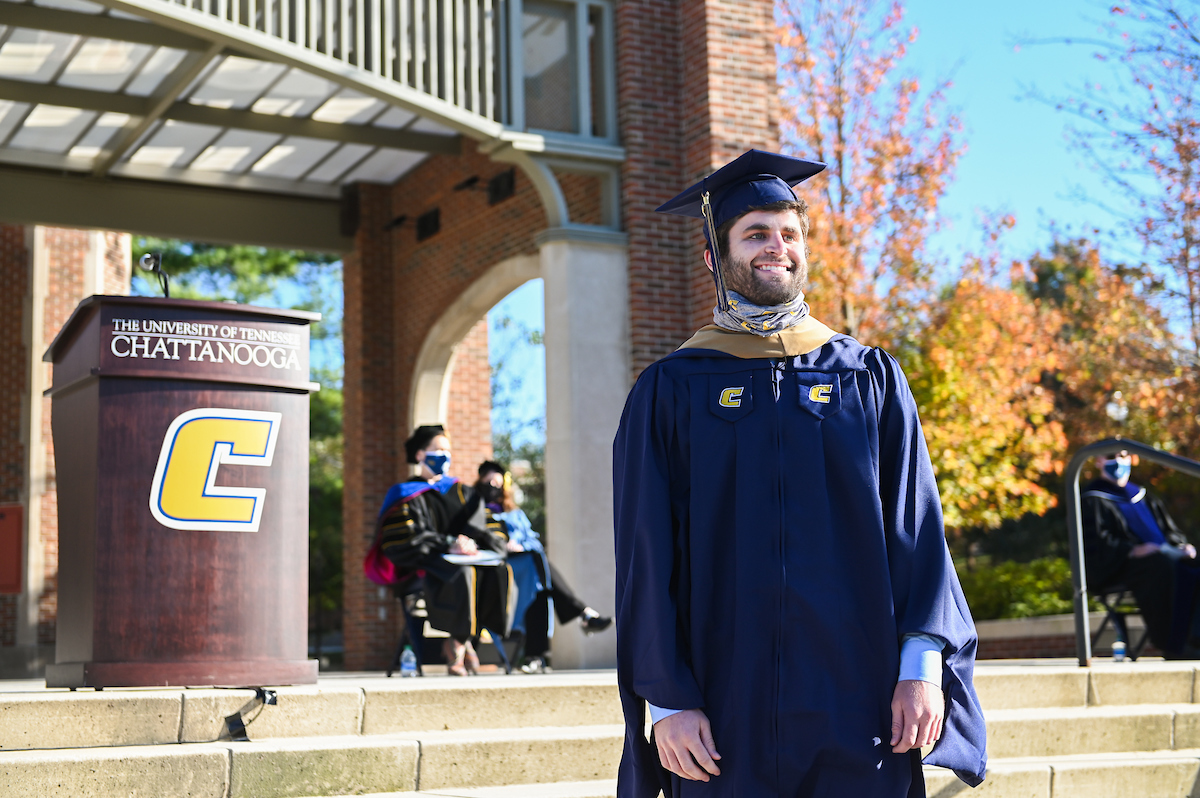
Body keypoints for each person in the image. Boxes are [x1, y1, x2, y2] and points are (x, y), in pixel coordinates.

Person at [612, 150, 987, 797]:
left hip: (861, 699)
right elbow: (646, 555)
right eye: (755, 233)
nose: (776, 248)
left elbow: (918, 531)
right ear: (715, 257)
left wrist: (922, 667)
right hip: (721, 707)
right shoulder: (670, 390)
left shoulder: (867, 378)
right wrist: (669, 701)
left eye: (789, 234)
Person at [377, 425, 514, 676]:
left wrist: (470, 544)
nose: (444, 456)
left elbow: (489, 527)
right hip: (425, 561)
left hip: (467, 559)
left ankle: (463, 639)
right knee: (463, 574)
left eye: (447, 451)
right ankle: (459, 644)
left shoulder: (464, 492)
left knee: (499, 571)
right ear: (420, 454)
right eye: (438, 450)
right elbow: (406, 537)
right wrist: (449, 543)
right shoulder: (405, 494)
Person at [475, 461, 612, 673]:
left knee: (539, 584)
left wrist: (520, 545)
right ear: (480, 482)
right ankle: (582, 614)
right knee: (540, 573)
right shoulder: (476, 510)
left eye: (498, 484)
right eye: (489, 482)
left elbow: (533, 541)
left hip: (526, 565)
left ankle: (535, 657)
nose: (494, 488)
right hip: (499, 567)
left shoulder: (515, 513)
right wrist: (503, 545)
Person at [1082, 449, 1200, 656]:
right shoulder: (1092, 499)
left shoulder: (1142, 496)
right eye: (1110, 457)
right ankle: (1174, 645)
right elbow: (1097, 545)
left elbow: (1169, 531)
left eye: (1123, 456)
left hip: (1161, 558)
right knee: (1158, 566)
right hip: (1119, 567)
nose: (1118, 461)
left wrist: (1181, 546)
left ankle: (1195, 638)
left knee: (1193, 563)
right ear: (1098, 461)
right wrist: (1133, 550)